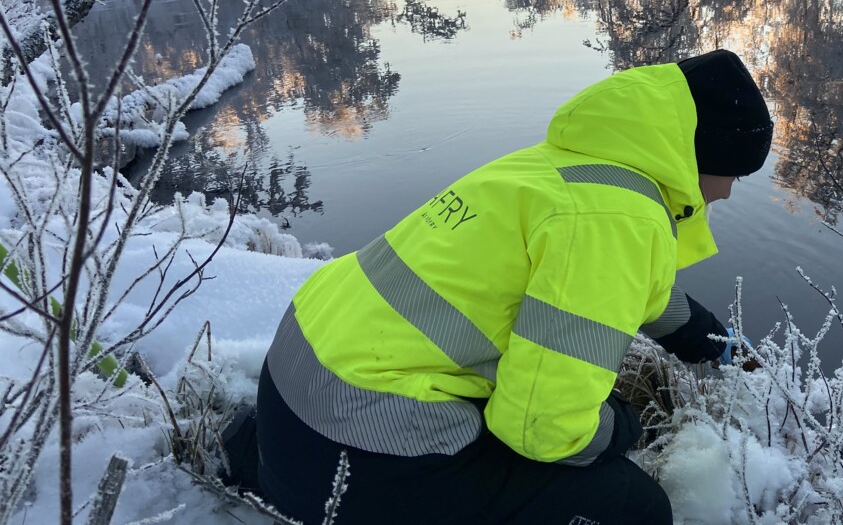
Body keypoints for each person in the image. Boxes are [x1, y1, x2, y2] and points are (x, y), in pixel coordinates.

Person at [251, 49, 773, 524]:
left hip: (290, 394)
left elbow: (639, 290)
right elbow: (540, 430)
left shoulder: (563, 168)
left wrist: (722, 346)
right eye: (734, 175)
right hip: (352, 454)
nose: (727, 194)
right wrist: (621, 427)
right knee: (634, 507)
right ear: (705, 154)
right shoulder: (622, 221)